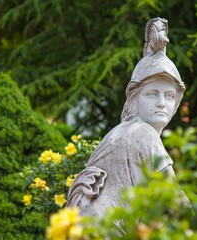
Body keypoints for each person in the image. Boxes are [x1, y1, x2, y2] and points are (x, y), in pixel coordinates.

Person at [67, 17, 187, 217]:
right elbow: (176, 202)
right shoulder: (142, 133)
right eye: (151, 93)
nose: (161, 102)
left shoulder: (118, 133)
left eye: (169, 96)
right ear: (134, 96)